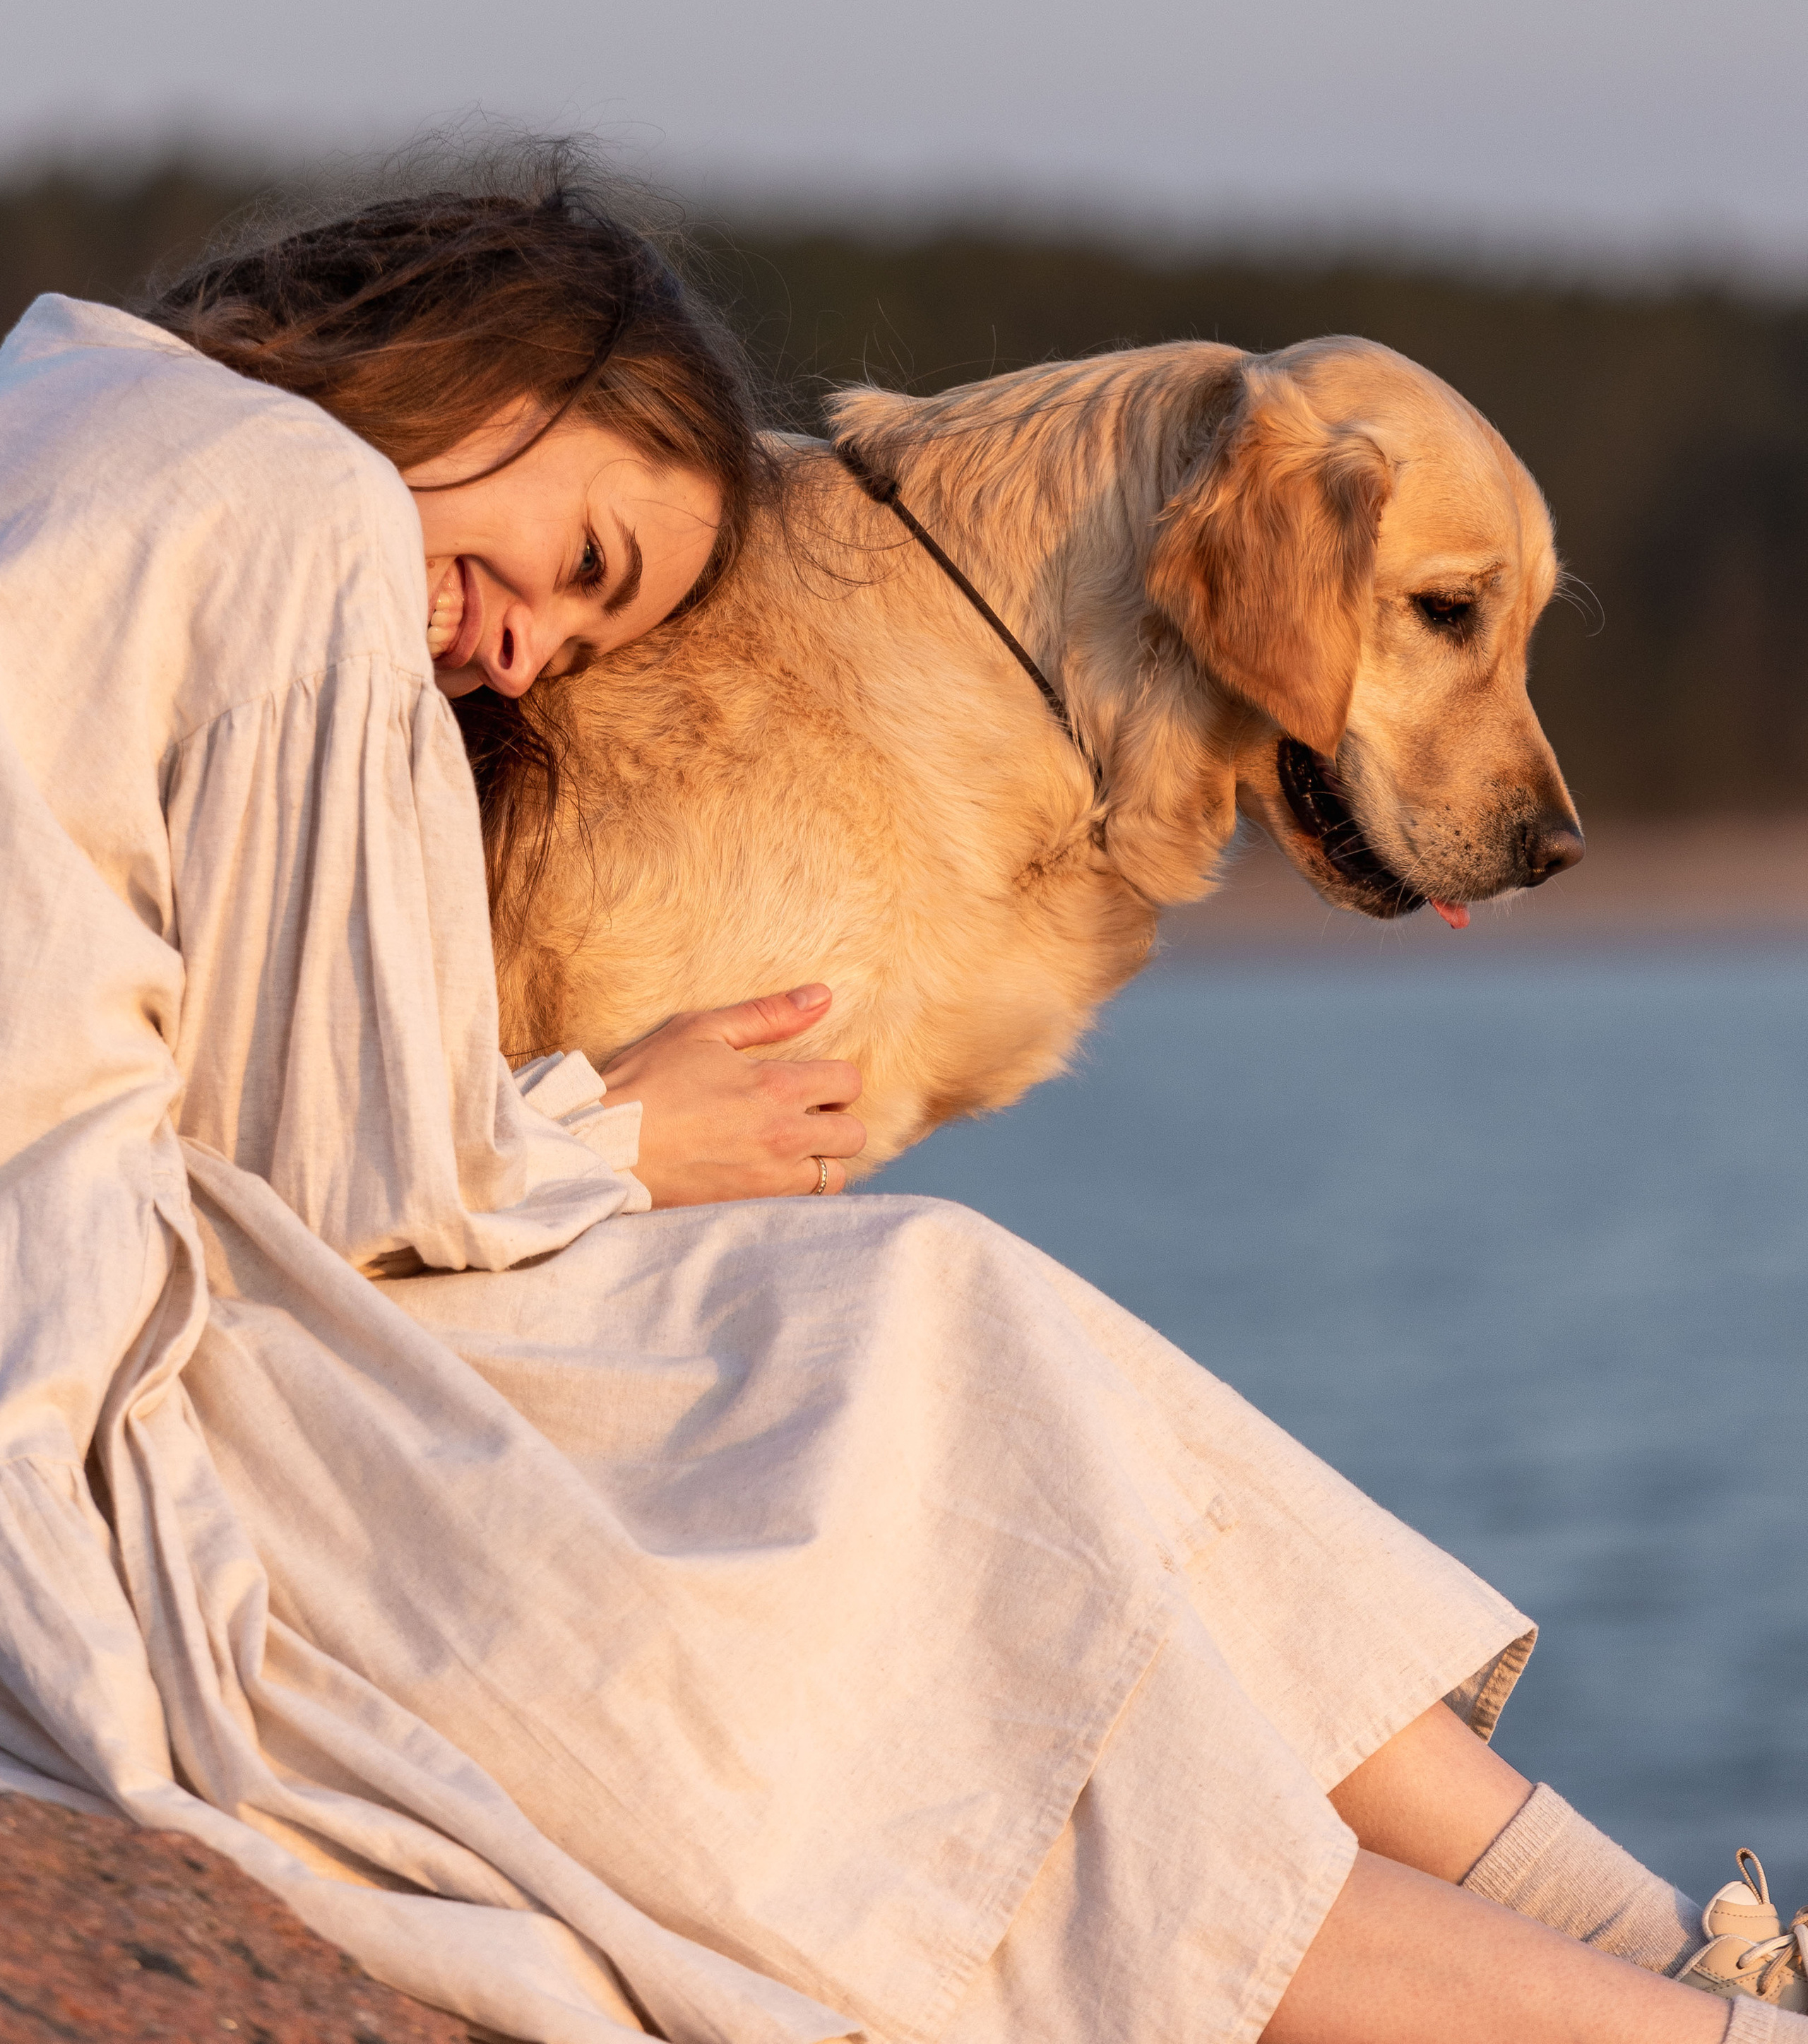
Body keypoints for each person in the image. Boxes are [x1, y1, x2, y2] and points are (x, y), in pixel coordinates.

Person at [0, 153, 1789, 2044]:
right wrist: (625, 1135)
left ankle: (1679, 1968)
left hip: (148, 1325)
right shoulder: (291, 502)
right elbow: (320, 1173)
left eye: (587, 634)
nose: (520, 655)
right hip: (140, 1403)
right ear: (515, 375)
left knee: (942, 1367)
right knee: (934, 1611)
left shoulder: (73, 404)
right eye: (584, 569)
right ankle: (1691, 2000)